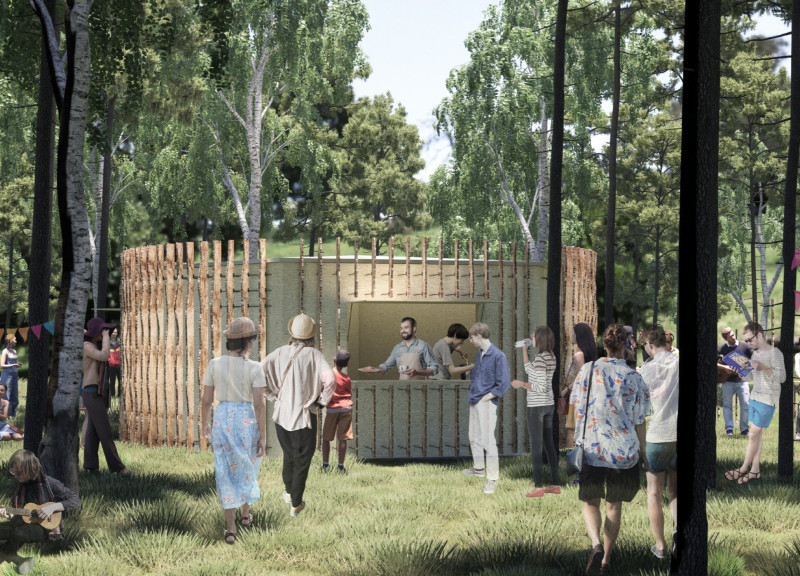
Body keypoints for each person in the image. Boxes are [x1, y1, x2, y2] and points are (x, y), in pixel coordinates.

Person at [570, 324, 649, 576]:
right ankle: (605, 560)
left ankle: (595, 544)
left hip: (592, 447)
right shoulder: (634, 376)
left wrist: (576, 437)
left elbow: (576, 406)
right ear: (625, 346)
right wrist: (644, 453)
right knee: (614, 505)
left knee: (590, 500)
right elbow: (640, 419)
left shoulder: (587, 370)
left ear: (604, 344)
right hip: (622, 452)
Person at [200, 317, 266, 544]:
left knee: (225, 471)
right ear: (248, 342)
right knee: (248, 464)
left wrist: (204, 423)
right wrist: (263, 436)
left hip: (222, 419)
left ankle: (231, 529)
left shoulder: (214, 364)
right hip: (247, 421)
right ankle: (246, 514)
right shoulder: (256, 368)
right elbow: (259, 404)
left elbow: (206, 400)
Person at [262, 313, 336, 517]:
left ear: (291, 333)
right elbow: (330, 381)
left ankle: (288, 491)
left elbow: (256, 374)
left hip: (281, 415)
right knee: (302, 459)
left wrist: (270, 395)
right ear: (312, 335)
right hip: (303, 416)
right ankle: (296, 503)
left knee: (289, 455)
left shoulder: (279, 352)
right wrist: (321, 402)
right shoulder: (314, 355)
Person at [0, 450, 81, 575]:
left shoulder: (50, 483)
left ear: (29, 469)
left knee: (19, 533)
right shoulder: (19, 485)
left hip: (44, 527)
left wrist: (53, 507)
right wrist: (9, 513)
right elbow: (19, 510)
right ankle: (20, 560)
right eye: (13, 472)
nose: (15, 476)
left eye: (18, 472)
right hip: (20, 520)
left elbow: (75, 500)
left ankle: (13, 558)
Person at [724, 322, 785, 485]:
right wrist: (740, 371)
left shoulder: (775, 354)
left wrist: (763, 367)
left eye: (749, 339)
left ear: (759, 335)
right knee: (757, 436)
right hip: (755, 397)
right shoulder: (755, 354)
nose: (748, 343)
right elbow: (750, 378)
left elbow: (782, 378)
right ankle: (755, 471)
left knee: (752, 435)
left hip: (768, 399)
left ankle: (743, 468)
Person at [639, 324, 679, 560]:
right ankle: (677, 531)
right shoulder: (679, 363)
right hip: (679, 434)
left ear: (650, 345)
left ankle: (661, 546)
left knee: (654, 493)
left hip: (657, 436)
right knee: (675, 491)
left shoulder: (647, 369)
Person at [511, 325, 560, 497]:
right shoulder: (550, 356)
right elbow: (529, 370)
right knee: (549, 444)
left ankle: (538, 487)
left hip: (536, 406)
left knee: (536, 446)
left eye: (533, 337)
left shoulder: (540, 359)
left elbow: (539, 386)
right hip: (548, 405)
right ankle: (555, 484)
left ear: (539, 339)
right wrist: (524, 349)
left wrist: (521, 384)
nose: (531, 339)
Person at [462, 322, 510, 495]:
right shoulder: (479, 354)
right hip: (474, 399)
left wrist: (488, 397)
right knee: (473, 436)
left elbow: (504, 382)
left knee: (488, 440)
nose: (471, 340)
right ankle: (479, 469)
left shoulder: (498, 356)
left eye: (472, 337)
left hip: (486, 402)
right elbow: (476, 376)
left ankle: (492, 478)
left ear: (479, 336)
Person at [82, 317, 130, 477]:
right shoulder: (87, 346)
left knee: (93, 431)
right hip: (91, 391)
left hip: (98, 391)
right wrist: (106, 338)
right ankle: (117, 467)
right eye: (103, 330)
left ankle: (90, 466)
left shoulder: (93, 345)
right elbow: (103, 355)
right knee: (105, 430)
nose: (106, 333)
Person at [560, 323, 599, 450]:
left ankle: (579, 455)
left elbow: (581, 377)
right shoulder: (588, 354)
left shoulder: (579, 355)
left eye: (573, 332)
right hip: (588, 395)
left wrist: (566, 390)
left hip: (579, 396)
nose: (571, 335)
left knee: (578, 428)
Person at [359, 317, 438, 379]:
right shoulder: (397, 348)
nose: (403, 330)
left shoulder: (423, 346)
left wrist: (417, 372)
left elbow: (434, 369)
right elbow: (386, 366)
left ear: (414, 329)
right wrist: (374, 370)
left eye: (406, 327)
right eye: (401, 328)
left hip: (420, 388)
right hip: (402, 388)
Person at [717, 326, 752, 436]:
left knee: (745, 404)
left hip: (742, 381)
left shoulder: (744, 346)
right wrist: (725, 368)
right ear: (725, 338)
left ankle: (744, 429)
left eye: (733, 334)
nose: (733, 337)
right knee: (727, 405)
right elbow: (712, 362)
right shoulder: (721, 349)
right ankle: (729, 430)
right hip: (727, 382)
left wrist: (743, 366)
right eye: (730, 336)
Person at [322, 350, 353, 473]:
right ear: (345, 365)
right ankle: (340, 466)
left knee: (326, 438)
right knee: (342, 438)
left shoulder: (326, 375)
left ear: (334, 359)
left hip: (332, 409)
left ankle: (325, 465)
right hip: (346, 408)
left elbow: (321, 390)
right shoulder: (346, 378)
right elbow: (349, 393)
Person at [0, 336, 21, 418]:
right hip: (7, 376)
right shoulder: (5, 351)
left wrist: (17, 365)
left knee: (15, 396)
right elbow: (2, 365)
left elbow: (13, 364)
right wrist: (14, 364)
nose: (16, 341)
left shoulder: (14, 351)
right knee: (6, 396)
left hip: (14, 376)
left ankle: (12, 415)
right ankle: (5, 415)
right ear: (10, 340)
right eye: (15, 339)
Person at [107, 328, 122, 398]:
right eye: (113, 332)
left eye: (115, 332)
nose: (114, 334)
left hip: (120, 365)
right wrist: (109, 361)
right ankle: (112, 396)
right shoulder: (107, 343)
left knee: (120, 382)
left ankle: (119, 395)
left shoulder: (120, 342)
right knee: (112, 382)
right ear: (110, 333)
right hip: (111, 365)